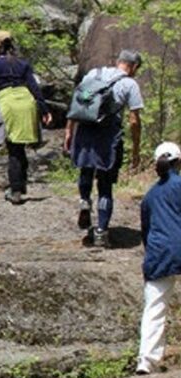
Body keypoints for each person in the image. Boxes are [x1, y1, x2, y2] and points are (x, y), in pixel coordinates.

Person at [64, 50, 145, 248]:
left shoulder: (94, 74)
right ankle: (101, 232)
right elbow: (134, 121)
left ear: (118, 62)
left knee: (85, 170)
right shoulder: (129, 84)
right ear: (133, 67)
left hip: (85, 131)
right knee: (105, 186)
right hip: (108, 136)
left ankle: (84, 200)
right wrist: (136, 149)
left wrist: (69, 131)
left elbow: (78, 103)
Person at [0, 31, 53, 205]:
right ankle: (21, 186)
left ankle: (15, 191)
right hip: (27, 102)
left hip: (9, 103)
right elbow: (34, 87)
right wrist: (45, 110)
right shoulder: (23, 63)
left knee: (13, 148)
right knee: (20, 147)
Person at [137, 141, 181, 374]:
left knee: (154, 308)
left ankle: (146, 361)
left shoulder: (150, 196)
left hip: (158, 253)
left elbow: (146, 231)